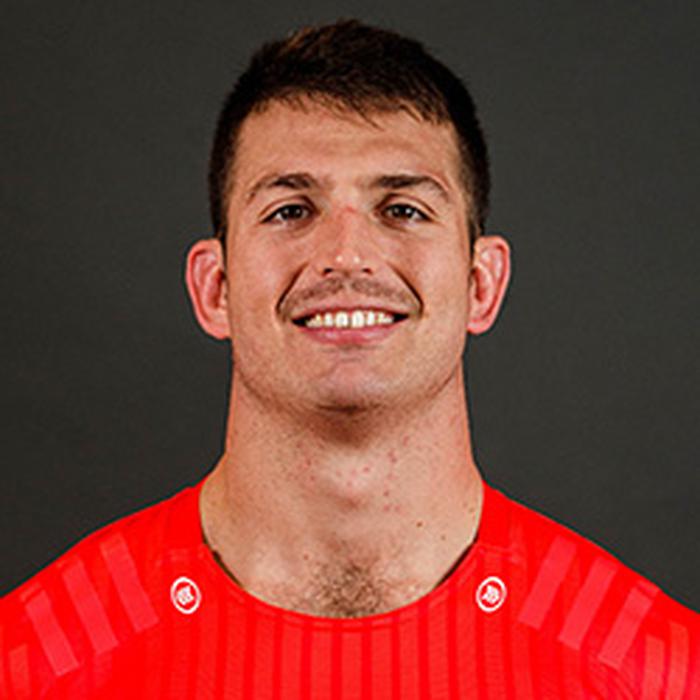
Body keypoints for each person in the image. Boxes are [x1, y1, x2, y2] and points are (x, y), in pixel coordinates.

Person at [1, 19, 697, 699]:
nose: (346, 255)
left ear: (481, 283)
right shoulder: (30, 662)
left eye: (402, 209)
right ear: (215, 288)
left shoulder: (660, 670)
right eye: (291, 210)